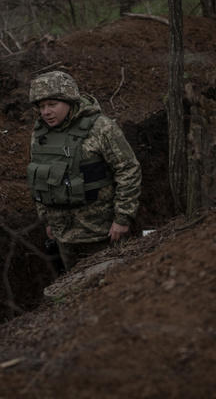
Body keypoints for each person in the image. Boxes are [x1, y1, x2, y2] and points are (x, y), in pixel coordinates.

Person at [27, 71, 141, 271]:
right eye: (42, 106)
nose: (46, 112)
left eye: (52, 104)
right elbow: (40, 180)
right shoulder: (40, 135)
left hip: (102, 234)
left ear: (69, 101)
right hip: (63, 236)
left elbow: (128, 170)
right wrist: (47, 220)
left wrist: (123, 218)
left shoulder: (101, 128)